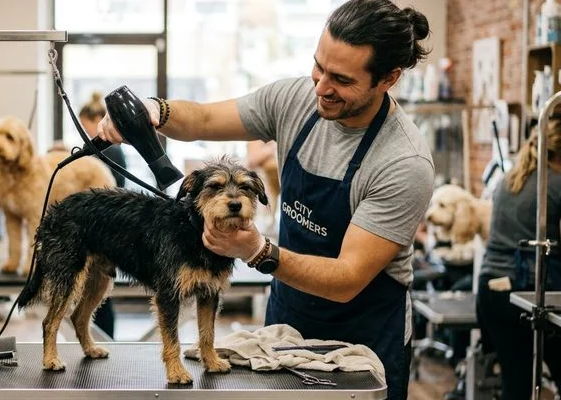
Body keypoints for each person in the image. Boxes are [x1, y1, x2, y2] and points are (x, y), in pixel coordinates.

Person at [97, 1, 434, 397]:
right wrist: (153, 111)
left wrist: (258, 251)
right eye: (319, 67)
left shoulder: (403, 162)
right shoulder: (295, 99)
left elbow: (347, 279)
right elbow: (204, 119)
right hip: (286, 325)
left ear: (388, 79)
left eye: (341, 79)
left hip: (365, 345)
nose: (321, 87)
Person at [476, 123, 561, 400]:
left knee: (516, 382)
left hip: (491, 291)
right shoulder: (555, 184)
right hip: (526, 293)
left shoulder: (509, 178)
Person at [79, 91, 127, 339]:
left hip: (106, 226)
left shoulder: (106, 149)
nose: (85, 132)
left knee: (99, 289)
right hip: (110, 222)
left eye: (85, 125)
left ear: (95, 120)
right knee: (101, 291)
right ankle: (104, 338)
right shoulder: (113, 149)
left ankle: (105, 339)